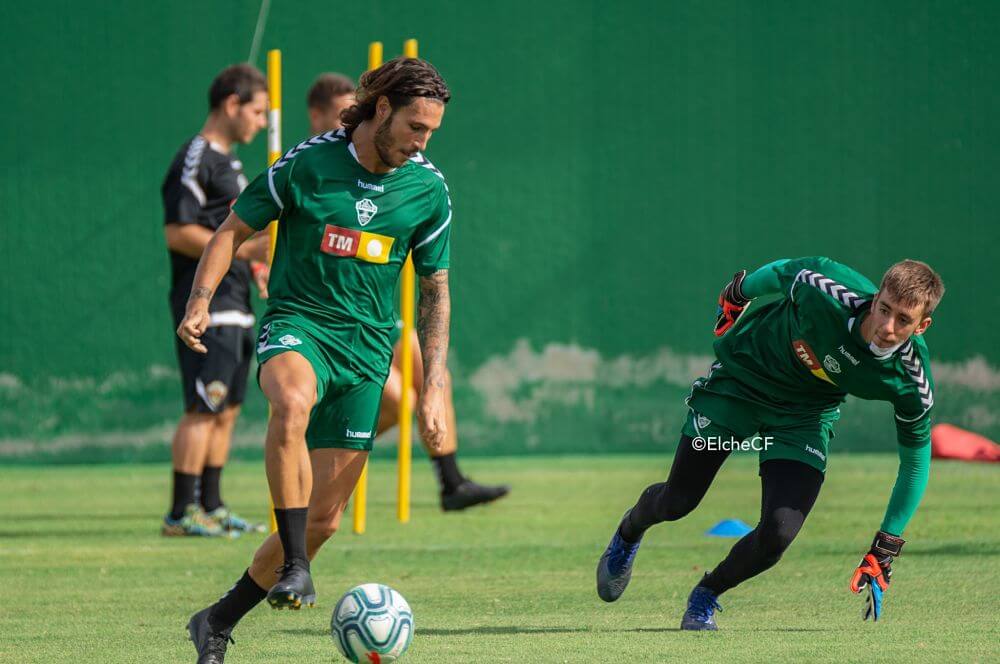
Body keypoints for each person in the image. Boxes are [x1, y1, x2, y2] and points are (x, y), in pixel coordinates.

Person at [180, 57, 453, 662]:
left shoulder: (428, 189)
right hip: (298, 325)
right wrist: (200, 300)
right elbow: (230, 231)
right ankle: (296, 565)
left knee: (325, 518)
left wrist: (433, 385)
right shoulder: (306, 163)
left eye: (430, 131)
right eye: (415, 126)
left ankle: (217, 620)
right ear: (381, 109)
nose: (422, 140)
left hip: (367, 351)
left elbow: (435, 290)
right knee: (291, 400)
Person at [596, 257, 944, 629]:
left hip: (803, 416)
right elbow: (783, 272)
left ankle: (706, 595)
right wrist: (739, 292)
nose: (885, 327)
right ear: (875, 298)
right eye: (883, 309)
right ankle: (630, 529)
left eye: (903, 320)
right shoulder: (828, 291)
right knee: (679, 501)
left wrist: (885, 546)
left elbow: (915, 464)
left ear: (922, 326)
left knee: (779, 531)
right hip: (740, 385)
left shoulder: (911, 380)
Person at [306, 72, 509, 510]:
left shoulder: (412, 178)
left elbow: (432, 280)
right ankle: (316, 453)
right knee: (398, 397)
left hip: (376, 305)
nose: (344, 120)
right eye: (337, 113)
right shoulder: (313, 166)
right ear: (317, 114)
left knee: (433, 372)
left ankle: (450, 480)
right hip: (324, 304)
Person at [161, 64, 271, 537]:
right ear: (232, 104)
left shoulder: (232, 162)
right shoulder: (196, 156)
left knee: (227, 410)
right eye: (258, 111)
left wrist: (257, 265)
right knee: (203, 407)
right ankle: (180, 513)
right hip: (206, 304)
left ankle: (213, 504)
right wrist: (245, 249)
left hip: (240, 301)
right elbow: (179, 231)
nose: (262, 122)